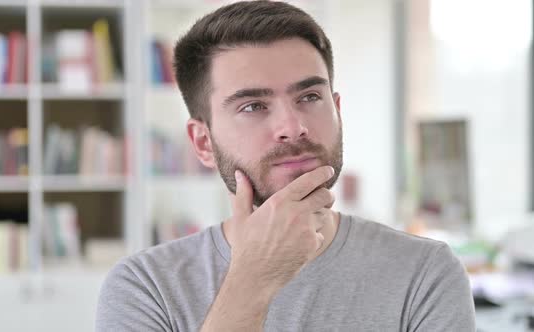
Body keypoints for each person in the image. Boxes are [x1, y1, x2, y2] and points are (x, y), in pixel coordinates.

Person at [95, 1, 475, 331]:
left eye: (310, 96)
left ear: (338, 111)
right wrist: (252, 281)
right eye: (253, 106)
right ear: (203, 142)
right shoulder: (145, 288)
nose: (293, 127)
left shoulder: (426, 272)